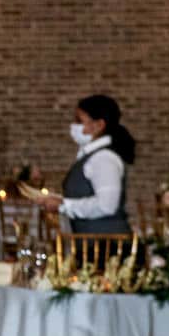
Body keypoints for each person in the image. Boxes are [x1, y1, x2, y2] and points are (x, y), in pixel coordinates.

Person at [35, 92, 137, 234]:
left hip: (107, 246)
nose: (74, 126)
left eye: (79, 120)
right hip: (93, 244)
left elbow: (107, 205)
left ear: (99, 125)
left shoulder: (103, 158)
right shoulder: (91, 156)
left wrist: (63, 205)